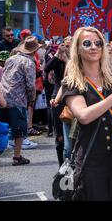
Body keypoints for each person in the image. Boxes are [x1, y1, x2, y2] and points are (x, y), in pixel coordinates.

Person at [61, 27, 112, 201]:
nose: (93, 47)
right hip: (90, 155)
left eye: (98, 43)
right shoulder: (72, 82)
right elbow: (84, 116)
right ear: (78, 49)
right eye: (87, 43)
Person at [0, 36, 40, 165]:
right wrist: (31, 99)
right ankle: (17, 156)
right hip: (18, 98)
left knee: (0, 127)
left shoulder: (10, 59)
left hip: (3, 96)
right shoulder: (29, 63)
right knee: (19, 129)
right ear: (34, 51)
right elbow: (30, 85)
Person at [45, 37, 71, 165]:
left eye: (71, 45)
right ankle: (61, 165)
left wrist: (68, 60)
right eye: (66, 45)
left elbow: (70, 75)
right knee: (60, 136)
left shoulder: (78, 60)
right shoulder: (57, 59)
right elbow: (46, 68)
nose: (68, 48)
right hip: (58, 98)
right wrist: (57, 53)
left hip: (73, 97)